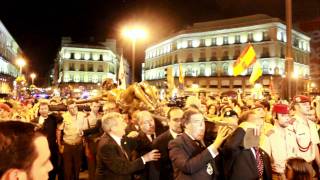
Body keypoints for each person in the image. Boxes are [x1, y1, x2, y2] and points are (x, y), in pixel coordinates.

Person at [95, 112, 161, 180]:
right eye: (122, 123)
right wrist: (145, 158)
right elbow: (122, 168)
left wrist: (145, 133)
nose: (125, 125)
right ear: (113, 128)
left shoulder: (121, 138)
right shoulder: (106, 146)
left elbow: (141, 144)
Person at [169, 108, 230, 180]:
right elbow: (187, 167)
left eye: (203, 122)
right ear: (186, 124)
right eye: (197, 122)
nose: (202, 126)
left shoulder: (204, 140)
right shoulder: (176, 143)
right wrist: (215, 145)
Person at [221, 110, 272, 180]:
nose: (259, 128)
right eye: (255, 124)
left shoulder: (261, 152)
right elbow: (230, 148)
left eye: (261, 125)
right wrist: (241, 128)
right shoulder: (237, 150)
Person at [261, 103, 297, 179]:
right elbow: (264, 159)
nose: (287, 118)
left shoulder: (292, 133)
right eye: (283, 115)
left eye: (288, 115)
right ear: (274, 116)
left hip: (293, 174)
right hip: (277, 176)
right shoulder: (269, 135)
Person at [149, 107, 184, 180]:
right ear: (168, 121)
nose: (180, 123)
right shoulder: (158, 142)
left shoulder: (192, 136)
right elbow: (158, 169)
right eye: (176, 120)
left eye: (182, 119)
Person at [57, 100, 87, 180]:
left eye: (75, 107)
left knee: (77, 167)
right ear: (68, 109)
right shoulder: (63, 116)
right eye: (71, 108)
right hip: (67, 145)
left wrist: (84, 140)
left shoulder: (82, 115)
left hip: (79, 145)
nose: (74, 109)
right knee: (67, 168)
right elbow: (59, 130)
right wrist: (59, 145)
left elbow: (85, 128)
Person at [32, 102, 62, 180]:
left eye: (45, 108)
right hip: (40, 149)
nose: (43, 110)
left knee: (52, 168)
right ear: (39, 110)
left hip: (52, 148)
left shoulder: (53, 118)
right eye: (42, 109)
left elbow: (61, 118)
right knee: (41, 169)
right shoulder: (35, 120)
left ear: (48, 109)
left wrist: (52, 111)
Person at [290, 95, 320, 169]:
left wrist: (319, 164)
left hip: (310, 165)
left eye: (308, 104)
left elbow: (314, 145)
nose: (308, 106)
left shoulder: (311, 124)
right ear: (296, 107)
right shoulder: (291, 124)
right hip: (297, 166)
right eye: (304, 104)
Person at [83, 102, 102, 180]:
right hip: (91, 143)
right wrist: (86, 147)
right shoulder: (86, 117)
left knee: (100, 165)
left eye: (98, 106)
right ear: (91, 107)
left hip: (100, 142)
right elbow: (84, 133)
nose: (96, 108)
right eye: (94, 106)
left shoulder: (101, 116)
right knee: (91, 166)